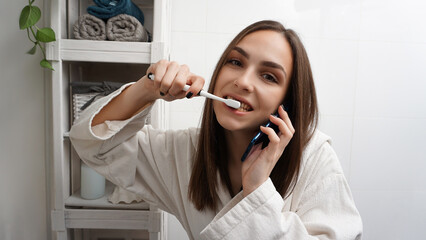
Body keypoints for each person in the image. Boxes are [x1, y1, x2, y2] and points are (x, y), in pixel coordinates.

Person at [70, 20, 363, 239]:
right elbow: (94, 145)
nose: (243, 81)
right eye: (235, 62)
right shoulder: (184, 152)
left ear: (287, 100)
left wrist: (258, 191)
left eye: (268, 76)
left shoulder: (314, 157)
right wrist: (146, 89)